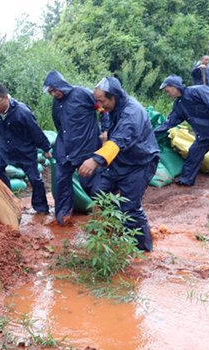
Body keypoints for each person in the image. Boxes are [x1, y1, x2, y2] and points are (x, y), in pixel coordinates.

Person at [79, 77, 159, 252]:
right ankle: (117, 225)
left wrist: (96, 160)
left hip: (140, 162)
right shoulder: (113, 106)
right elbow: (109, 124)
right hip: (120, 160)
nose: (99, 106)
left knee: (131, 207)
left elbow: (120, 139)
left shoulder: (132, 112)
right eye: (97, 101)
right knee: (98, 190)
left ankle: (143, 250)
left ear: (113, 96)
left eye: (101, 101)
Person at [43, 70, 109, 225]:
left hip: (86, 146)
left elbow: (103, 110)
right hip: (64, 148)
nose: (53, 94)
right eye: (50, 92)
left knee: (90, 183)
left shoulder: (82, 94)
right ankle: (63, 215)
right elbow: (58, 124)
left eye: (54, 90)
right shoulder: (56, 103)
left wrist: (106, 129)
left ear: (61, 85)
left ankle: (103, 217)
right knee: (61, 182)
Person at [0, 84, 52, 214]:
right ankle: (9, 198)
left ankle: (41, 208)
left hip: (24, 150)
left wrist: (45, 148)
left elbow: (35, 131)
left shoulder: (22, 112)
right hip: (4, 148)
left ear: (6, 98)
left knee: (35, 179)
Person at [154, 75, 209, 186]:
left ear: (174, 86)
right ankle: (186, 180)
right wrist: (152, 134)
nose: (167, 94)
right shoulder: (179, 105)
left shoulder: (198, 90)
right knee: (194, 154)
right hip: (204, 135)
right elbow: (170, 122)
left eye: (167, 91)